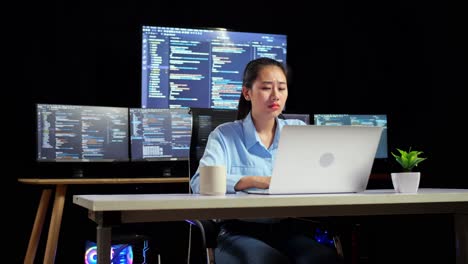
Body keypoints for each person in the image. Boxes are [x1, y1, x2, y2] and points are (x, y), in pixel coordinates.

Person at [190, 57, 341, 264]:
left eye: (281, 88)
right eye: (266, 88)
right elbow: (199, 183)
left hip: (290, 230)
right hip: (238, 232)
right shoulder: (224, 135)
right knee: (268, 260)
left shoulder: (298, 132)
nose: (275, 95)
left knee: (323, 259)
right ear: (247, 93)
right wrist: (253, 181)